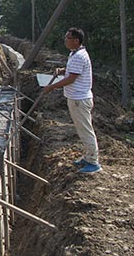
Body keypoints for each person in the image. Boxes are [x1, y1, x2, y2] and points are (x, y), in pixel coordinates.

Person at [43, 27, 101, 174]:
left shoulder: (79, 56)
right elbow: (72, 72)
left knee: (85, 130)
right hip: (76, 99)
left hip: (79, 100)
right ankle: (88, 157)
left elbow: (71, 78)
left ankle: (93, 162)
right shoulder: (74, 54)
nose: (65, 41)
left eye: (67, 38)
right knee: (82, 130)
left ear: (76, 40)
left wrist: (51, 87)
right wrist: (62, 70)